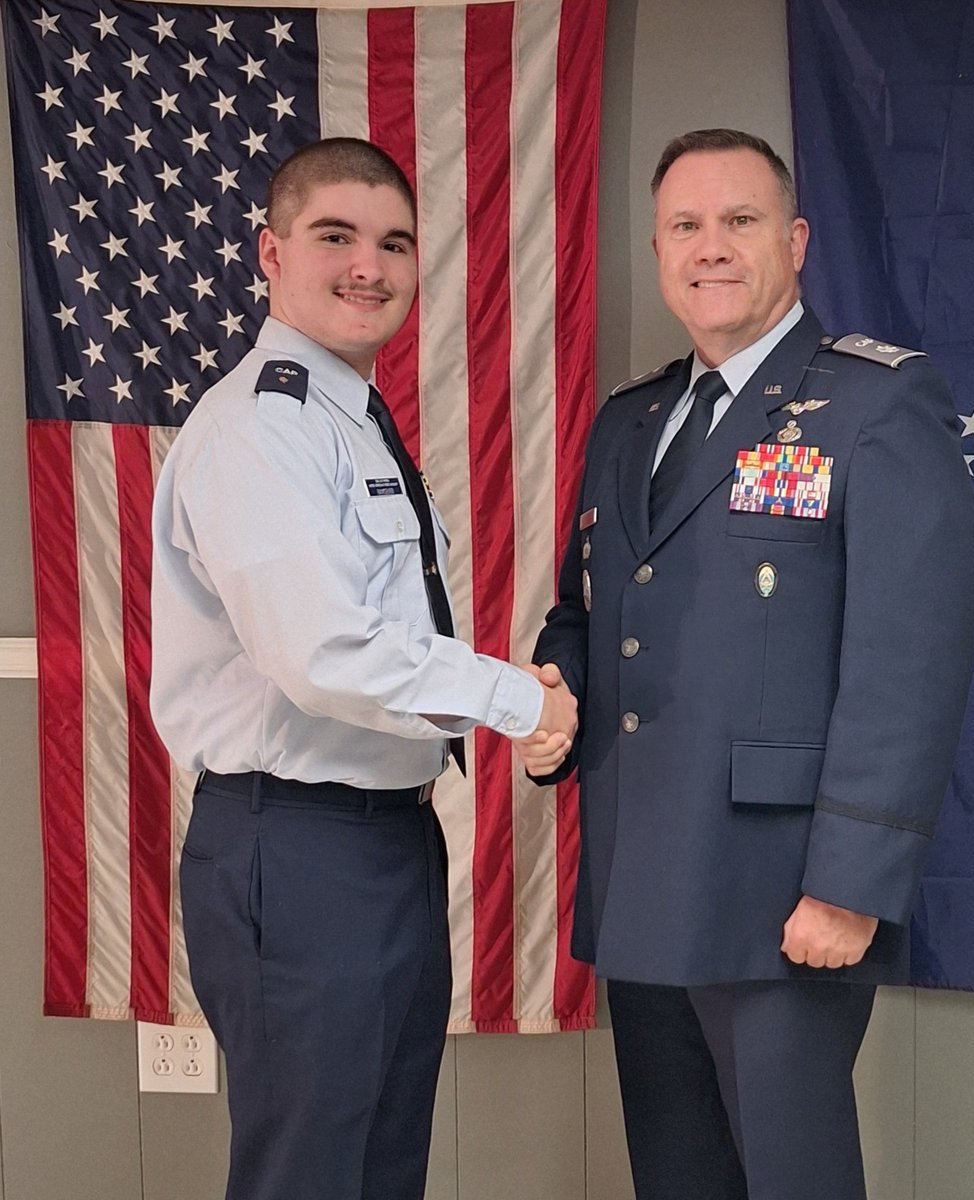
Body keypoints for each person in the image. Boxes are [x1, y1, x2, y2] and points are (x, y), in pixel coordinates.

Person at [519, 129, 974, 1200]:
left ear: (795, 240)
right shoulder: (628, 423)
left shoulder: (875, 405)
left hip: (781, 891)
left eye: (740, 221)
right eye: (686, 225)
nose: (710, 247)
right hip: (640, 874)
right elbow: (585, 613)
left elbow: (906, 661)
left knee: (790, 1179)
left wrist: (850, 886)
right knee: (677, 1179)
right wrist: (552, 693)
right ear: (656, 247)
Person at [150, 138, 576, 1200]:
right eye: (334, 237)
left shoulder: (352, 424)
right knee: (310, 1172)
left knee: (380, 1167)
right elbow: (322, 650)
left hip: (383, 842)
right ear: (270, 251)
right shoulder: (262, 428)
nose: (368, 267)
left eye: (392, 243)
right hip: (293, 848)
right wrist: (519, 698)